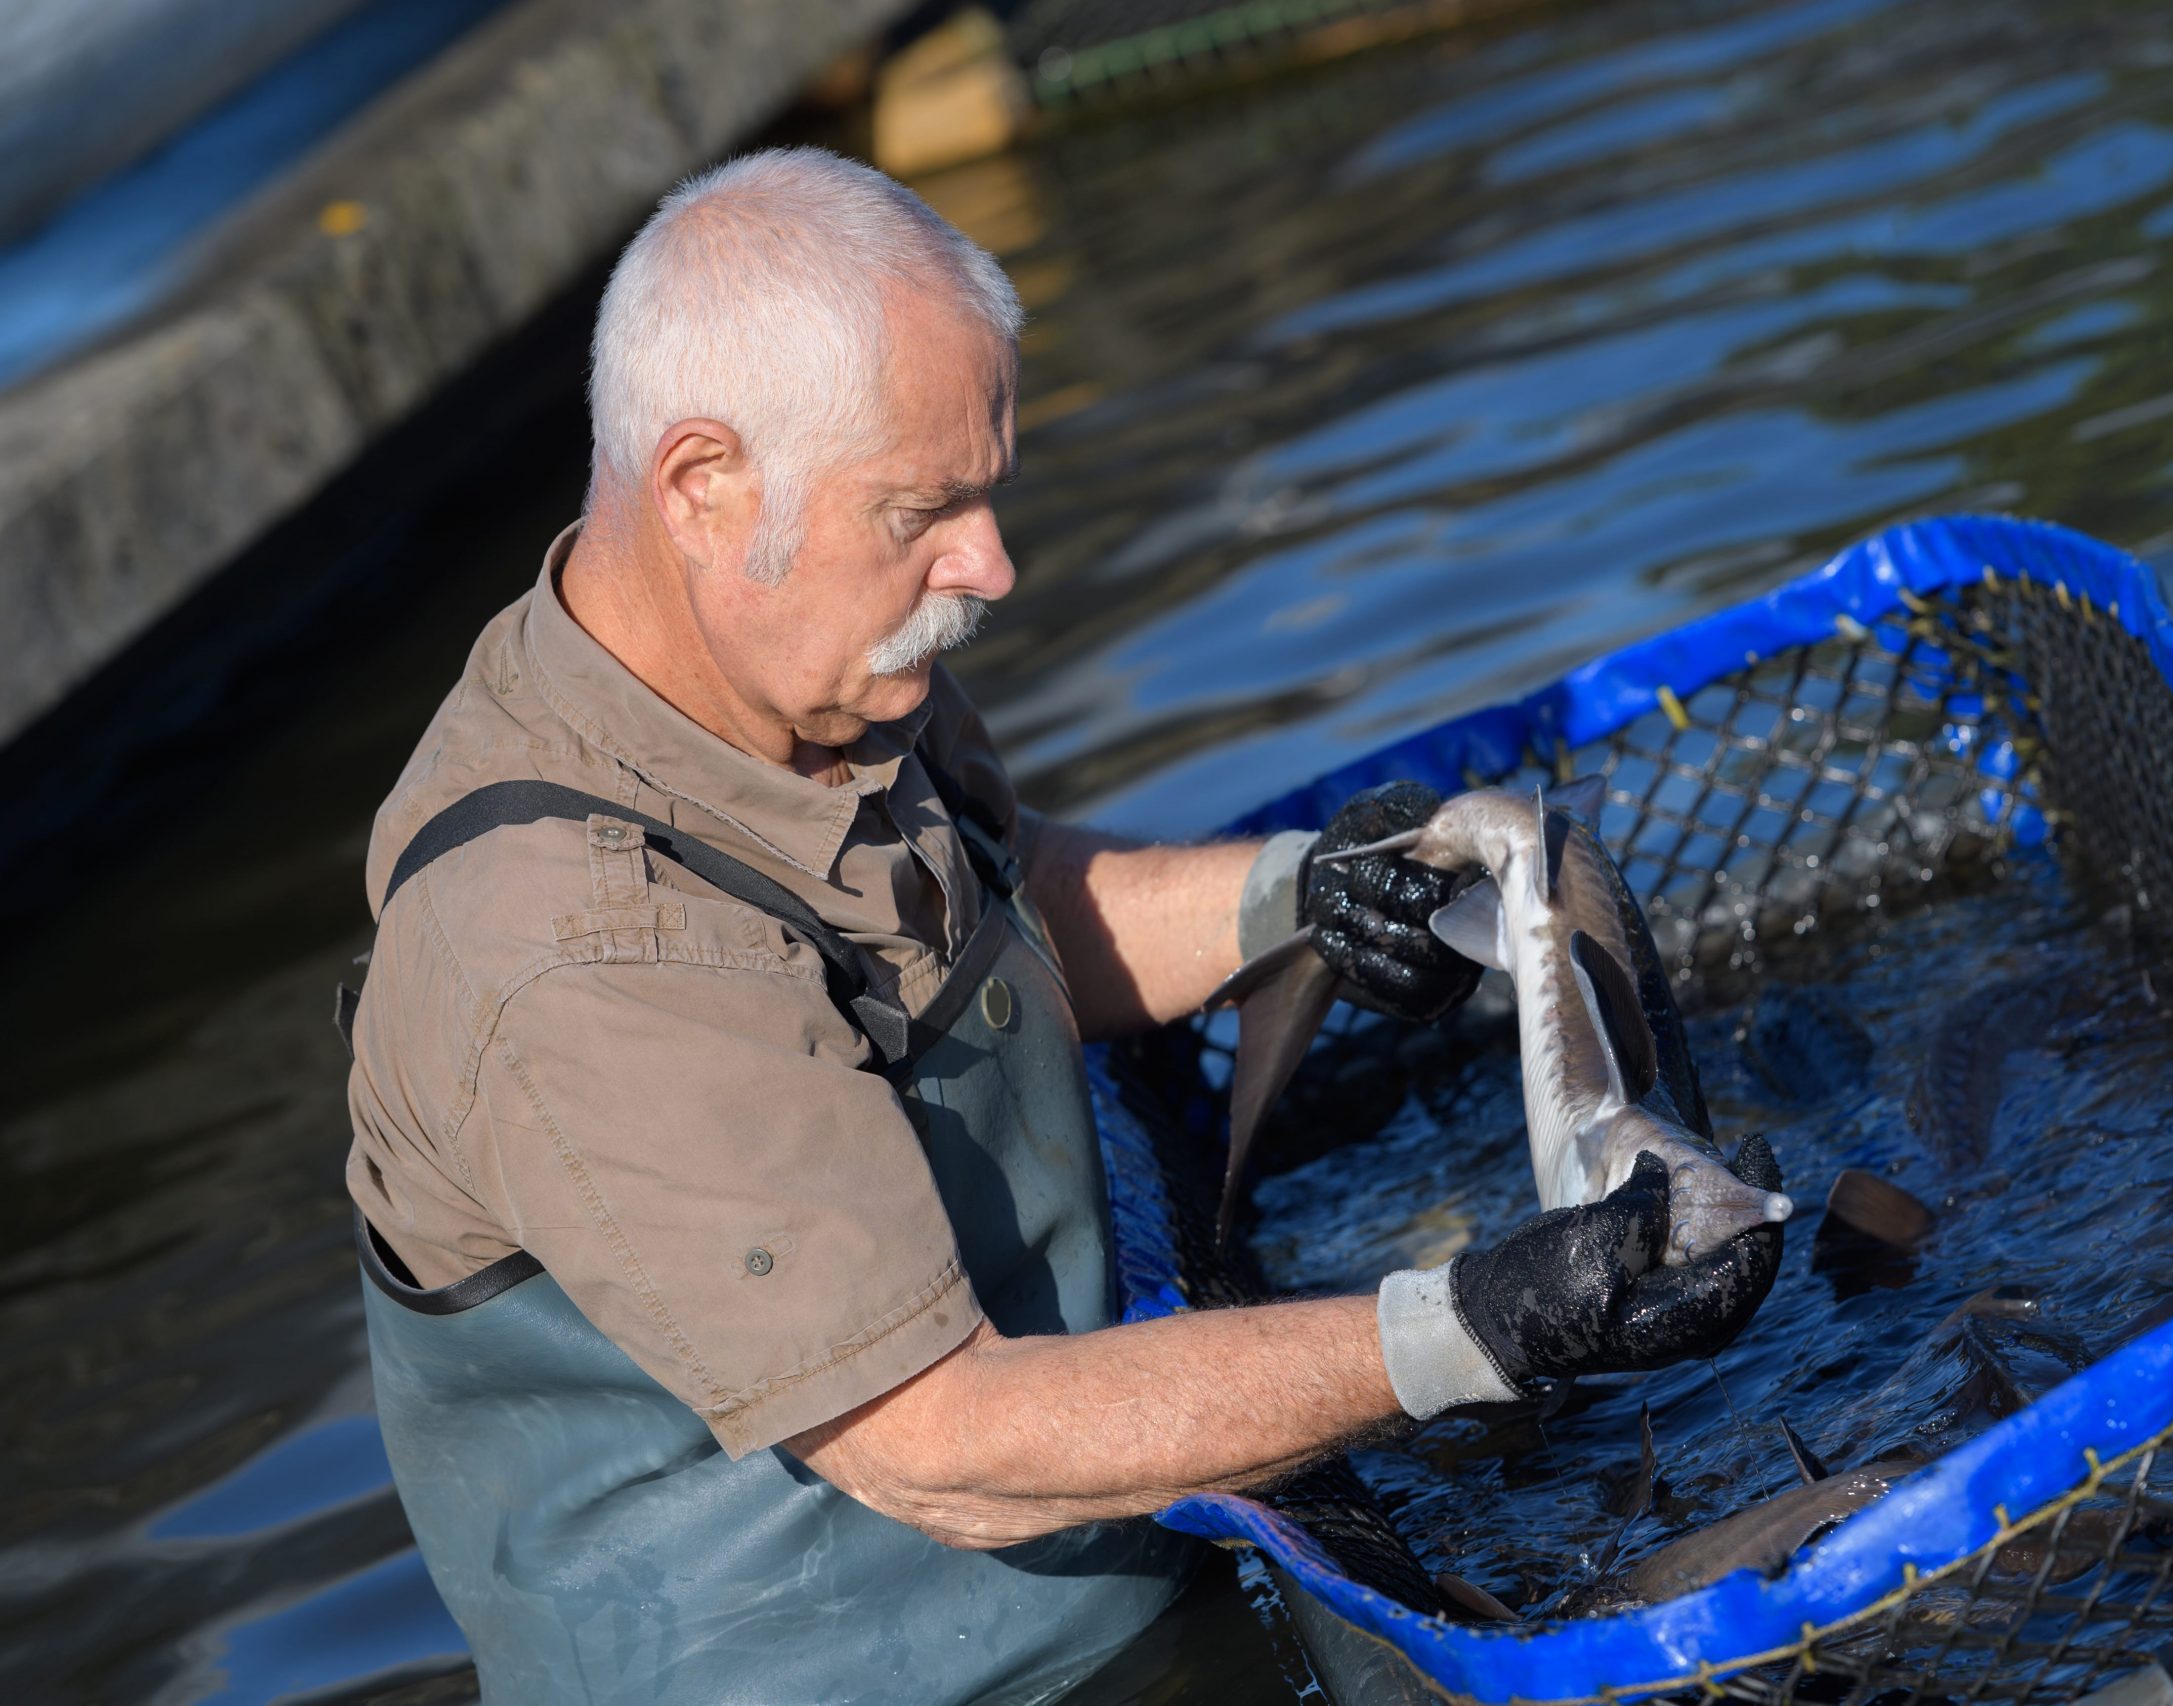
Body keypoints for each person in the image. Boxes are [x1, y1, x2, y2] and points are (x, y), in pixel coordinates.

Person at [344, 147, 1717, 1706]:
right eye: (924, 509)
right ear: (703, 487)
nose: (991, 563)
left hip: (1116, 1558)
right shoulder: (569, 952)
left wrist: (1291, 897)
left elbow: (1013, 888)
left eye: (987, 491)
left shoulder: (809, 659)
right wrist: (1476, 1325)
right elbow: (944, 1442)